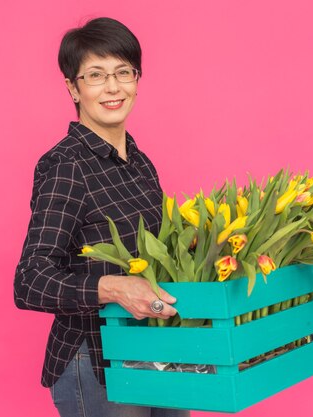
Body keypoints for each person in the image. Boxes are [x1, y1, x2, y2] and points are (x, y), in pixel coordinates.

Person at [14, 17, 190, 417]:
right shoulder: (65, 165)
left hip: (157, 352)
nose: (113, 87)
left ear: (136, 79)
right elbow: (30, 280)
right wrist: (113, 289)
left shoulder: (140, 162)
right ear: (73, 87)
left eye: (123, 72)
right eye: (95, 75)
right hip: (95, 361)